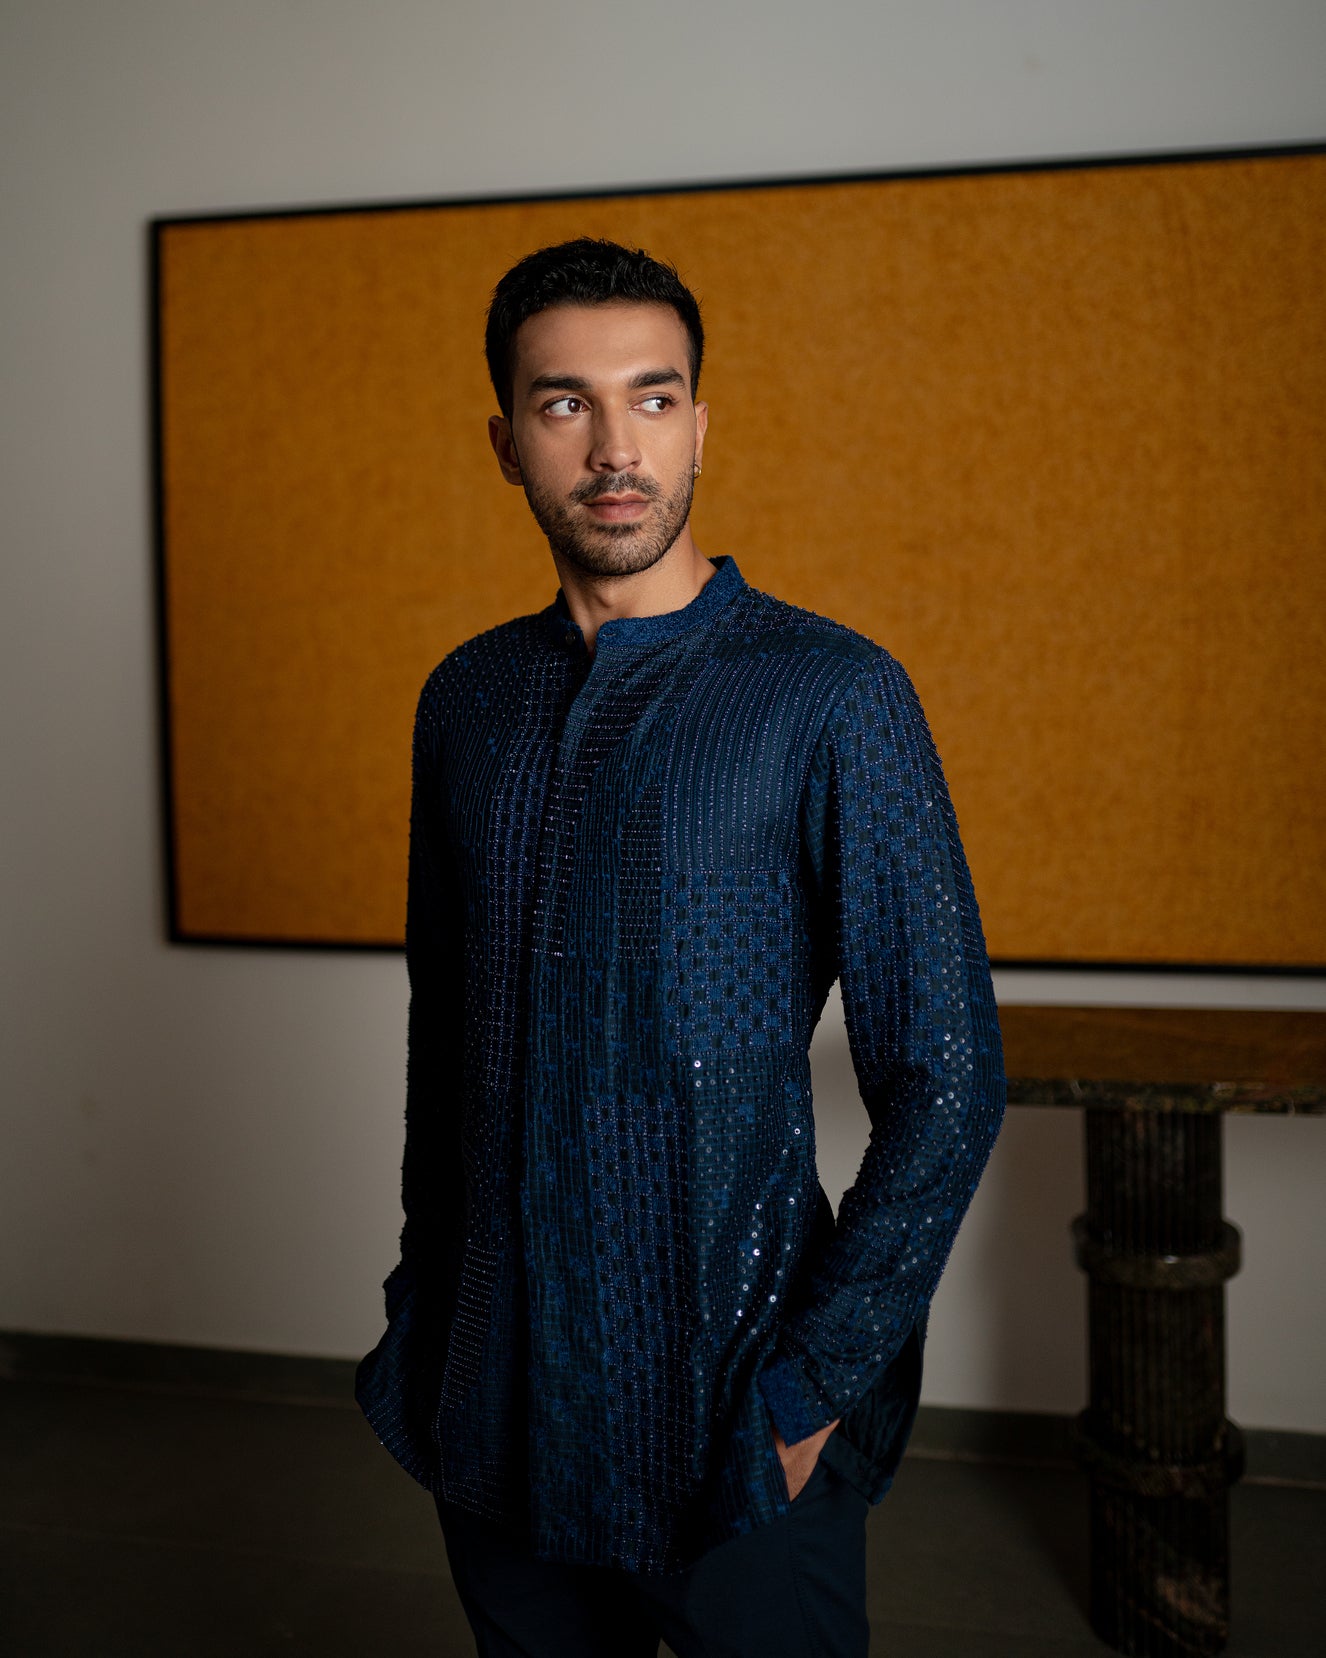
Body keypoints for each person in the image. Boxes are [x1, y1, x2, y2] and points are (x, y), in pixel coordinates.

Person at [356, 237, 1005, 1657]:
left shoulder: (832, 695)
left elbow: (948, 1077)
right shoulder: (466, 699)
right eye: (564, 403)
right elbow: (440, 1036)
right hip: (495, 1395)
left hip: (731, 1409)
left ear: (699, 425)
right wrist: (425, 1309)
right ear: (506, 442)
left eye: (651, 399)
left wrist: (809, 1391)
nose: (614, 448)